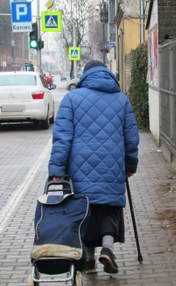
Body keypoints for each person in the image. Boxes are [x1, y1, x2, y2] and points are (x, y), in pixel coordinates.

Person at [48, 60, 140, 274]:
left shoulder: (71, 99)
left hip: (80, 164)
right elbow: (131, 139)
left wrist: (57, 172)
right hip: (112, 162)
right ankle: (107, 248)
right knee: (108, 206)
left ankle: (88, 259)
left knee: (84, 208)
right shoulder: (122, 100)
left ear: (85, 77)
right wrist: (130, 164)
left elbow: (62, 138)